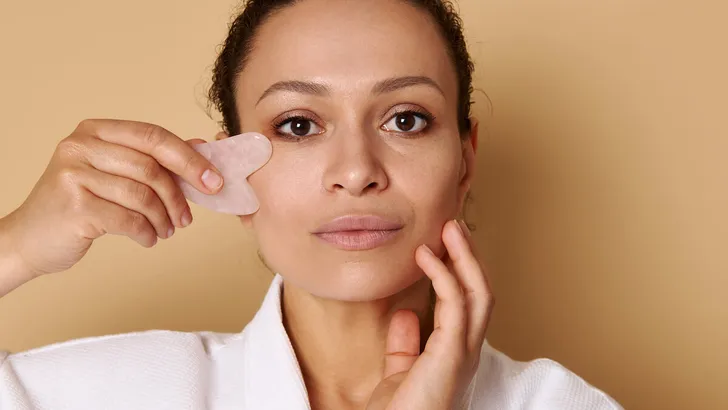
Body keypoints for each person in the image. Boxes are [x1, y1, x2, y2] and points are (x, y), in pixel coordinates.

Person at [0, 0, 623, 409]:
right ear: (226, 172)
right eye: (299, 125)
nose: (356, 172)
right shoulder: (122, 391)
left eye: (406, 119)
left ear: (466, 160)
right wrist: (17, 246)